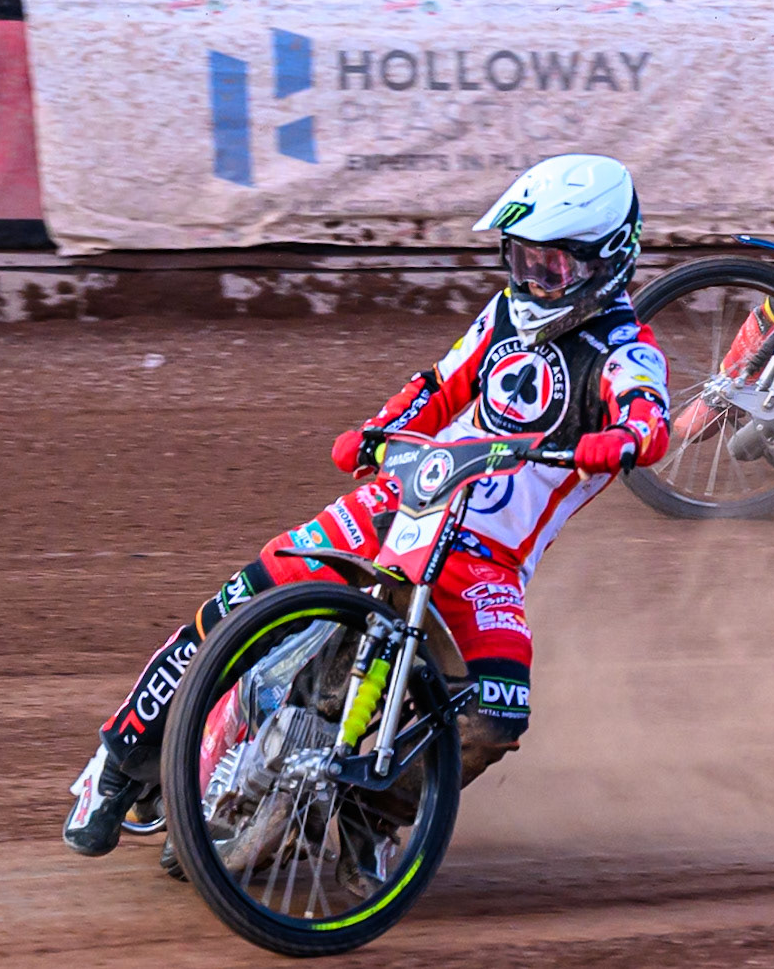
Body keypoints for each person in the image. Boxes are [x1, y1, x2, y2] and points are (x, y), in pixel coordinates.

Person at [63, 154, 671, 858]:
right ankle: (119, 757)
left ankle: (365, 813)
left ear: (607, 262)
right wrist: (377, 431)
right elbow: (438, 386)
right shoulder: (505, 313)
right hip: (407, 499)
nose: (533, 280)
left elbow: (647, 417)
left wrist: (624, 440)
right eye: (522, 259)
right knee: (247, 593)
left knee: (497, 714)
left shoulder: (627, 351)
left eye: (553, 267)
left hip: (487, 561)